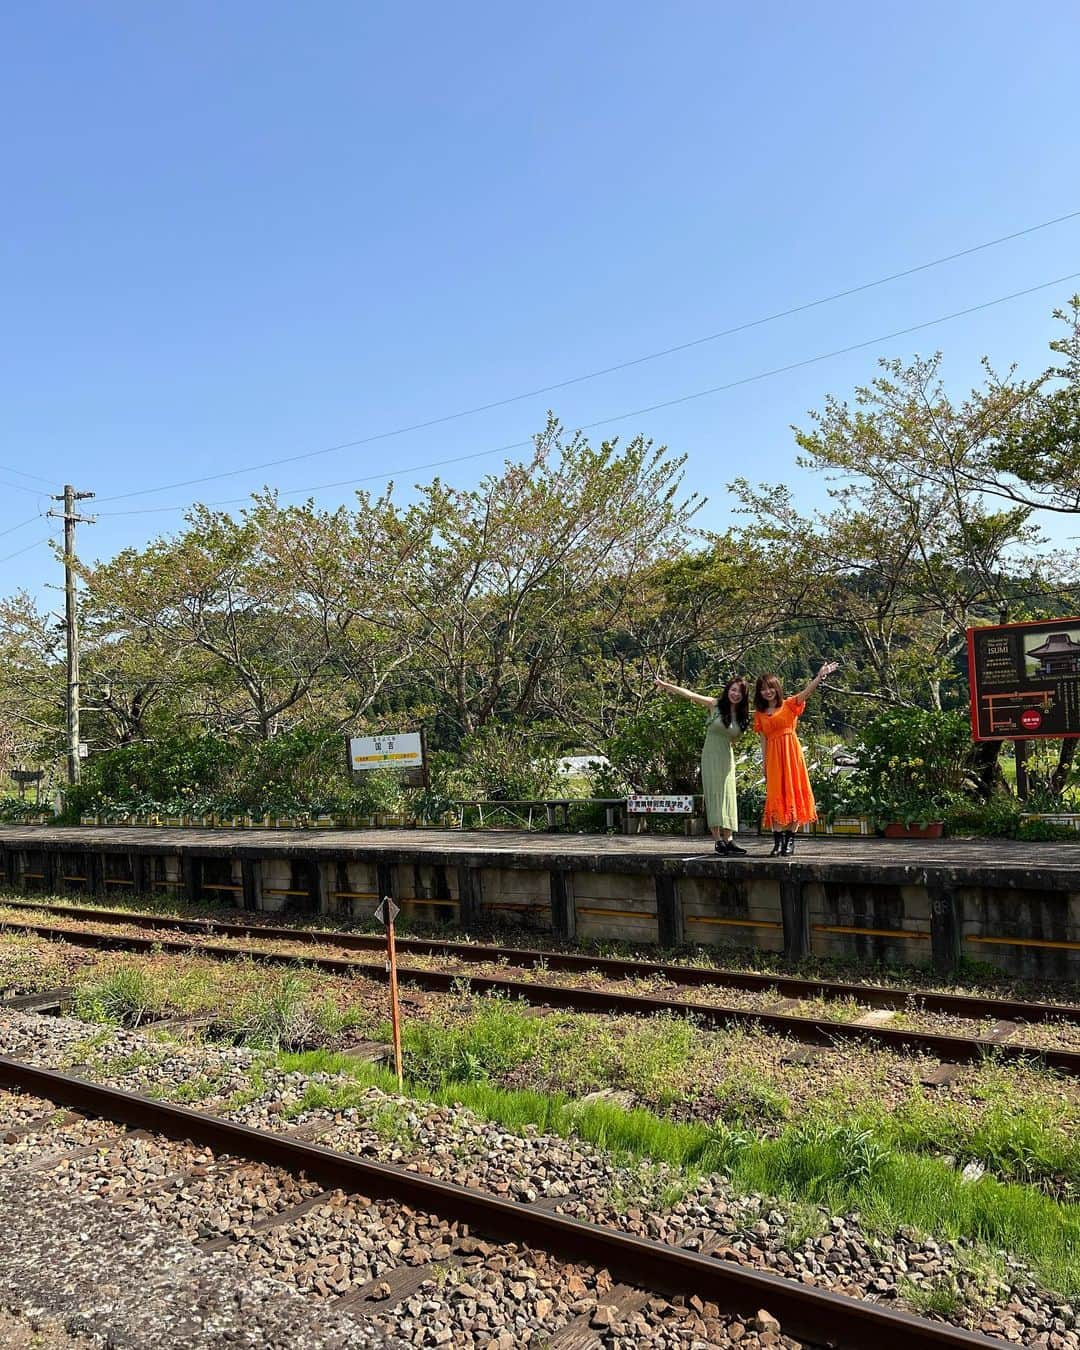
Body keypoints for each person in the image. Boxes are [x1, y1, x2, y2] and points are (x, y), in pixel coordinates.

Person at [654, 674, 750, 854]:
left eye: (740, 692)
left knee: (728, 794)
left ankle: (729, 839)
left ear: (744, 696)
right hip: (710, 754)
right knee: (714, 793)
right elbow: (690, 695)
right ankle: (717, 840)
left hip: (726, 756)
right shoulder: (714, 705)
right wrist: (666, 685)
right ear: (728, 690)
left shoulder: (742, 716)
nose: (736, 694)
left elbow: (734, 740)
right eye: (733, 689)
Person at [753, 662, 838, 855]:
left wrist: (819, 677)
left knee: (794, 792)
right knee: (775, 796)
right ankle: (777, 842)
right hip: (773, 757)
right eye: (763, 689)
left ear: (777, 688)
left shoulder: (790, 704)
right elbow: (763, 741)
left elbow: (806, 693)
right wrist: (764, 765)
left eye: (770, 688)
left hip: (791, 753)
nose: (767, 692)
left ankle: (790, 840)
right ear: (759, 693)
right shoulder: (760, 714)